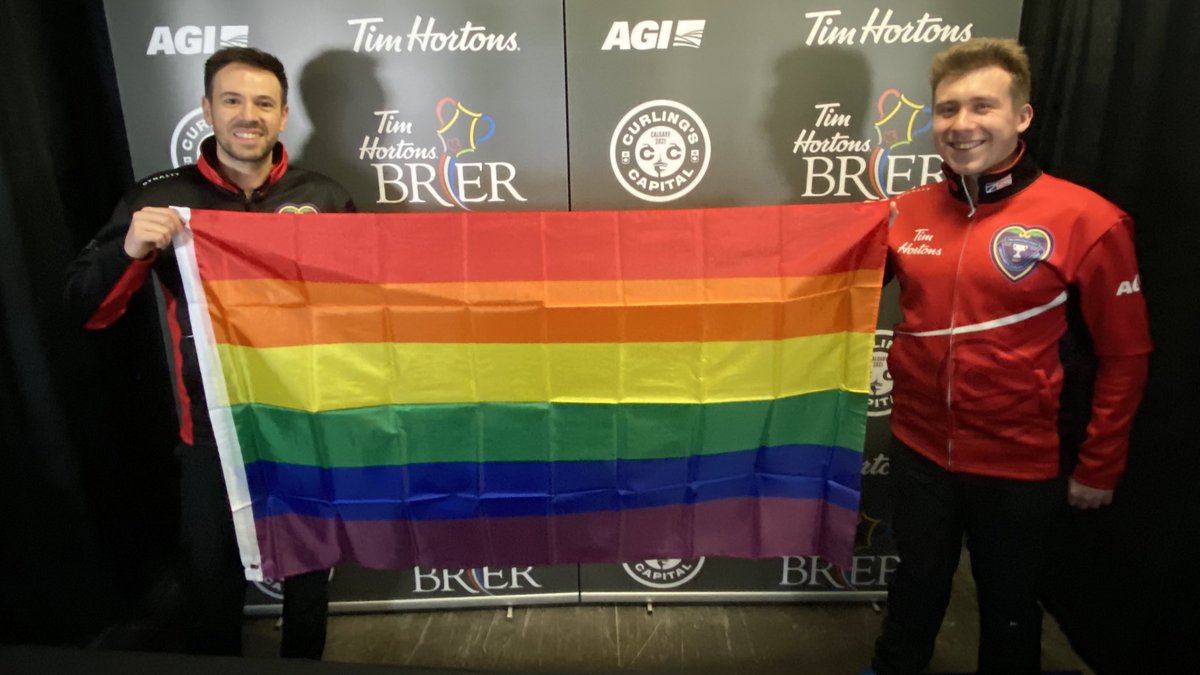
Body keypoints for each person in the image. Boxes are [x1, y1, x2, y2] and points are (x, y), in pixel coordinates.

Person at [870, 37, 1152, 674]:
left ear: (1021, 116)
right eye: (946, 110)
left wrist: (1101, 465)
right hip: (918, 449)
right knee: (913, 588)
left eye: (982, 107)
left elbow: (1127, 354)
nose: (962, 125)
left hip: (1022, 462)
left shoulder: (1089, 219)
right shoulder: (901, 212)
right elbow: (824, 287)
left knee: (1009, 607)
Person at [66, 46, 355, 659]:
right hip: (210, 433)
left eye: (262, 103)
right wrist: (132, 249)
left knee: (308, 579)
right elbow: (88, 308)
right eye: (231, 100)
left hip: (305, 424)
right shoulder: (162, 198)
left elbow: (364, 310)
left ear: (282, 117)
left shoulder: (325, 197)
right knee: (209, 583)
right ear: (206, 109)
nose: (247, 115)